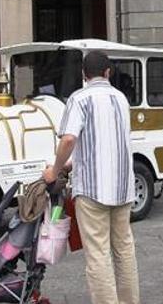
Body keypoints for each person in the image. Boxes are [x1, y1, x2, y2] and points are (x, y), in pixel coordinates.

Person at [43, 51, 140, 304]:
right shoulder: (120, 98)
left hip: (92, 189)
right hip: (123, 187)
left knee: (98, 254)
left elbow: (69, 138)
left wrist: (55, 169)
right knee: (124, 250)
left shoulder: (80, 98)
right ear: (108, 72)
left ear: (84, 75)